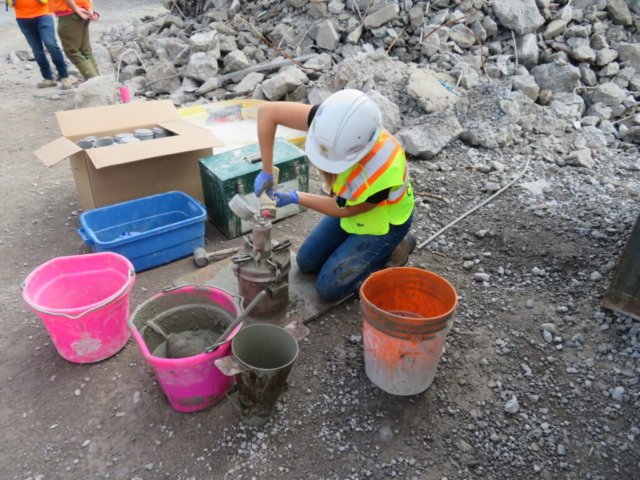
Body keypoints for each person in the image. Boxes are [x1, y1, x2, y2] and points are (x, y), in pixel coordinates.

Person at [255, 89, 416, 302]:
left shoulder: (382, 169)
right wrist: (267, 170)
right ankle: (356, 247)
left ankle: (397, 246)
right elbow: (268, 112)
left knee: (328, 288)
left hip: (383, 221)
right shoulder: (331, 125)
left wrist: (297, 197)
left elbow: (347, 209)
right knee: (306, 262)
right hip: (350, 205)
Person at [11, 0, 73, 89]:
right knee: (36, 49)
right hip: (22, 17)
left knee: (51, 44)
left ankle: (64, 77)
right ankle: (48, 78)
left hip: (43, 14)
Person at [50, 0, 99, 80]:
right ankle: (97, 80)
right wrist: (89, 9)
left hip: (69, 12)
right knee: (84, 49)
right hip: (83, 10)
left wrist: (76, 8)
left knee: (72, 51)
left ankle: (93, 80)